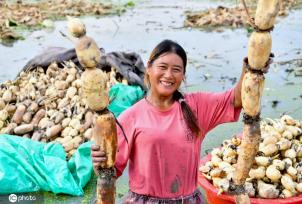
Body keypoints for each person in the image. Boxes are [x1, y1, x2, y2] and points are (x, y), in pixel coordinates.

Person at [91, 39, 245, 203]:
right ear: (149, 68)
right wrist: (99, 163)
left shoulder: (196, 107)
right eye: (162, 67)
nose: (169, 75)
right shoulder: (130, 118)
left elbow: (236, 99)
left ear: (183, 75)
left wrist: (250, 69)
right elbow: (111, 171)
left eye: (176, 70)